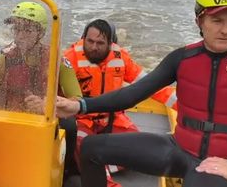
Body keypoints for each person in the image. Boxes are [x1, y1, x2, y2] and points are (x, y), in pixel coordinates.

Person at [56, 0, 227, 187]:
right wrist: (80, 106)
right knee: (91, 149)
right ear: (199, 21)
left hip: (219, 163)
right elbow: (133, 94)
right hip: (178, 149)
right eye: (217, 20)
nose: (226, 29)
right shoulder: (182, 58)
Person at [0, 1, 82, 179]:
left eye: (28, 30)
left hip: (42, 125)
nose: (20, 35)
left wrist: (48, 105)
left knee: (70, 126)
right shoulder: (5, 58)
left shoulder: (58, 60)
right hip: (10, 120)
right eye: (17, 29)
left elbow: (76, 99)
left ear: (41, 33)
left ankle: (65, 174)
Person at [63, 19, 177, 187]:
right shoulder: (69, 59)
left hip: (113, 119)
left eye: (100, 43)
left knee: (140, 149)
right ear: (83, 38)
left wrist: (183, 105)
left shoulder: (121, 58)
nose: (94, 47)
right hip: (82, 121)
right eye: (90, 41)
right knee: (82, 143)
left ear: (111, 43)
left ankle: (102, 161)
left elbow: (150, 86)